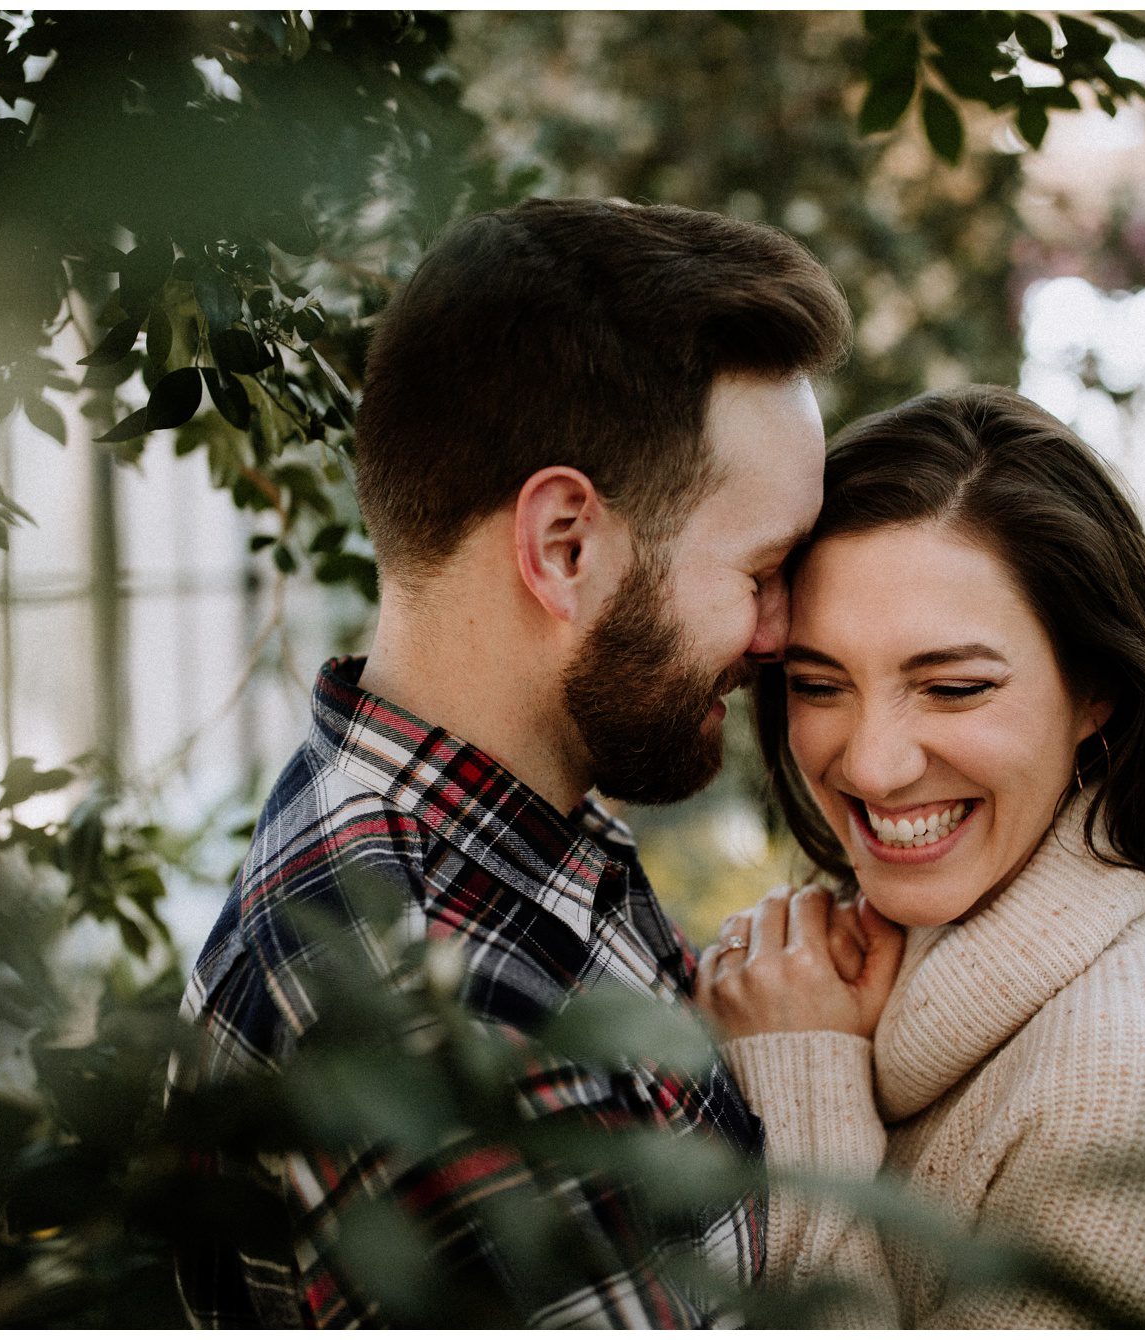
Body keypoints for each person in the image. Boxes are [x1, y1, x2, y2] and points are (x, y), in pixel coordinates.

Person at [166, 197, 852, 1326]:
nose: (780, 633)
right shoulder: (448, 1043)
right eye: (761, 568)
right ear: (562, 546)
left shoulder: (487, 842)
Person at [695, 385, 1145, 1328]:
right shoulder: (851, 962)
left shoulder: (1141, 1074)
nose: (870, 763)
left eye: (953, 688)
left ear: (1097, 692)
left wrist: (803, 1100)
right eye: (819, 684)